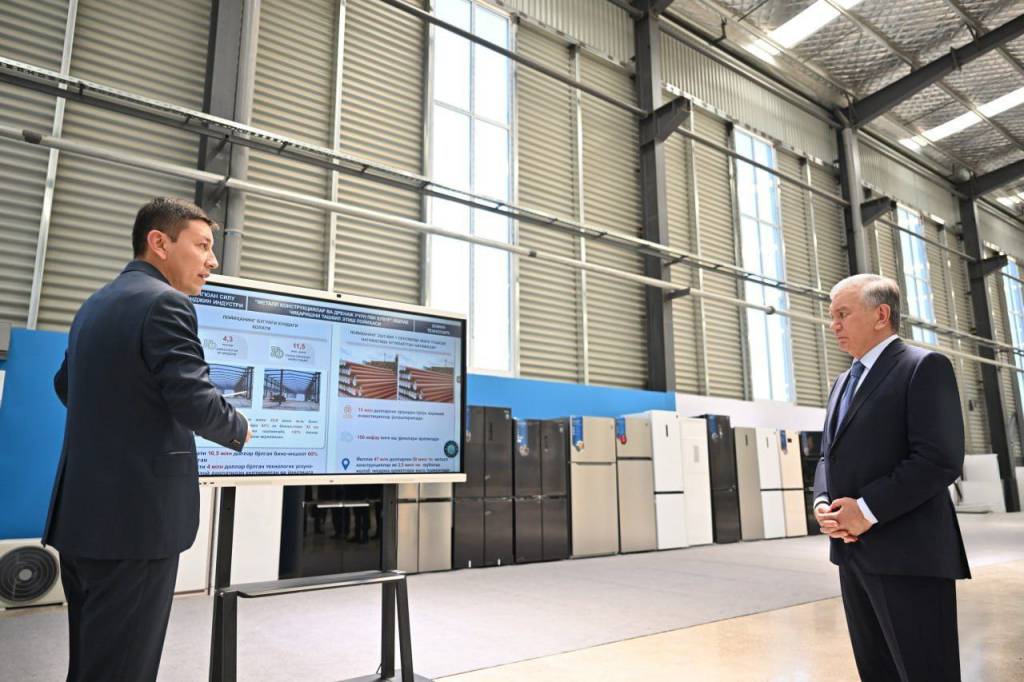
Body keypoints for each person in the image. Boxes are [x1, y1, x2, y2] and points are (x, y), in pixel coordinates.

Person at [43, 197, 252, 681]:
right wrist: (240, 426)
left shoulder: (93, 305)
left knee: (93, 664)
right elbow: (195, 401)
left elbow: (66, 387)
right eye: (202, 246)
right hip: (135, 526)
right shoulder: (166, 303)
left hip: (81, 520)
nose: (212, 261)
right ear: (159, 242)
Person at [813, 273, 970, 682]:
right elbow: (828, 455)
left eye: (843, 314)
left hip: (909, 556)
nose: (833, 324)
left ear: (881, 315)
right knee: (876, 671)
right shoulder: (842, 383)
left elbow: (939, 459)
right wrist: (823, 502)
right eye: (832, 315)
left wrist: (865, 510)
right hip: (852, 554)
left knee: (925, 670)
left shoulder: (922, 367)